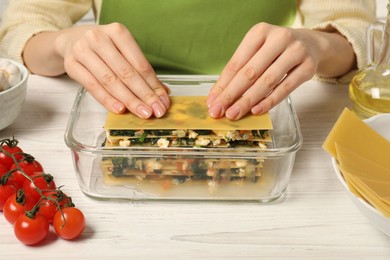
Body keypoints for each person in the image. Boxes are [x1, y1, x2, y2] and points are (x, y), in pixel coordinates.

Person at [0, 0, 376, 120]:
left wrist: (319, 45)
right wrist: (64, 45)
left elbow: (356, 32)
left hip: (268, 106)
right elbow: (23, 26)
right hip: (116, 109)